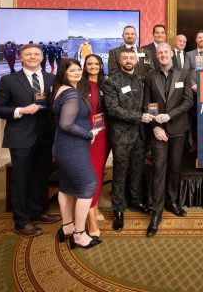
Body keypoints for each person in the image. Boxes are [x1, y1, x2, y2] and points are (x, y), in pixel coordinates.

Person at [0, 43, 61, 237]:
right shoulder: (9, 80)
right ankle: (21, 221)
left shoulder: (52, 78)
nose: (32, 57)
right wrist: (21, 110)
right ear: (20, 57)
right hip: (20, 137)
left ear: (42, 57)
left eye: (36, 54)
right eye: (28, 54)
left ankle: (37, 211)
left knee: (40, 176)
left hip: (45, 136)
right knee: (21, 179)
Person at [143, 43, 193, 236]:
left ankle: (172, 202)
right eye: (160, 53)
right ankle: (156, 212)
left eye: (166, 52)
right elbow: (148, 104)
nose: (163, 55)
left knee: (175, 167)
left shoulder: (183, 74)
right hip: (158, 130)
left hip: (178, 129)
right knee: (159, 169)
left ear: (171, 54)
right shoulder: (150, 76)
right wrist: (155, 126)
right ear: (156, 56)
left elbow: (188, 101)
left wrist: (169, 115)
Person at [51, 58, 102, 249]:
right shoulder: (71, 93)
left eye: (78, 69)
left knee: (66, 187)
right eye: (72, 70)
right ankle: (79, 234)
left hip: (64, 146)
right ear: (63, 73)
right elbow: (66, 124)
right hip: (71, 147)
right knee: (89, 185)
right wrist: (89, 134)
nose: (77, 72)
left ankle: (67, 227)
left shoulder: (61, 90)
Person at [103, 48, 154, 231]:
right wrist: (140, 117)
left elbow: (145, 104)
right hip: (121, 135)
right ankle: (118, 209)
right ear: (120, 60)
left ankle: (136, 201)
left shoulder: (141, 80)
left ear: (136, 60)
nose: (128, 60)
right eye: (125, 58)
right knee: (120, 172)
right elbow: (113, 109)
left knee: (137, 170)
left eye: (131, 57)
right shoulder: (111, 81)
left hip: (140, 134)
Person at [78, 54, 110, 239]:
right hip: (87, 135)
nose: (93, 66)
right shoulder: (79, 85)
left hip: (104, 133)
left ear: (100, 65)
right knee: (89, 175)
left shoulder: (105, 84)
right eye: (89, 64)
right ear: (85, 66)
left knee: (98, 172)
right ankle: (90, 217)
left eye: (96, 64)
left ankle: (95, 205)